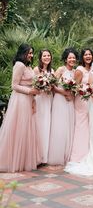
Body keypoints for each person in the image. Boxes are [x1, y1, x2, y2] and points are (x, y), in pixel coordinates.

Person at [0, 43, 42, 172]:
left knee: (28, 129)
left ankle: (25, 159)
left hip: (29, 100)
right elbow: (14, 85)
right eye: (29, 53)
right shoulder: (19, 65)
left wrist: (34, 97)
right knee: (20, 128)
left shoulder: (28, 66)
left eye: (32, 53)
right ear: (22, 53)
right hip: (21, 100)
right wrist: (30, 92)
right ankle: (13, 160)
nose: (31, 55)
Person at [48, 47, 79, 166]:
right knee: (59, 126)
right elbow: (51, 85)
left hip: (69, 101)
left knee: (68, 126)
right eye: (70, 58)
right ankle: (57, 155)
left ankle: (67, 154)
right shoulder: (61, 69)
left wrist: (71, 94)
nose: (72, 59)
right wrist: (63, 92)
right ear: (65, 59)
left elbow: (76, 88)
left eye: (74, 58)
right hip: (59, 100)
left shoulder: (75, 72)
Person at [69, 48, 93, 163]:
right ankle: (80, 153)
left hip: (91, 100)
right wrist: (84, 90)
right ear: (82, 57)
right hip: (81, 100)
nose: (88, 56)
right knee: (81, 125)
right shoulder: (79, 70)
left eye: (90, 54)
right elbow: (75, 87)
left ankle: (90, 150)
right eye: (86, 55)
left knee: (90, 125)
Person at [34, 49, 54, 165]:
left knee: (48, 125)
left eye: (48, 55)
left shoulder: (52, 70)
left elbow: (54, 86)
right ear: (40, 58)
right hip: (40, 99)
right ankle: (38, 156)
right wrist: (44, 85)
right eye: (44, 55)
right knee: (40, 125)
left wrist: (50, 86)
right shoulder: (36, 69)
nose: (47, 57)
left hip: (49, 99)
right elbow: (34, 84)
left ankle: (45, 156)